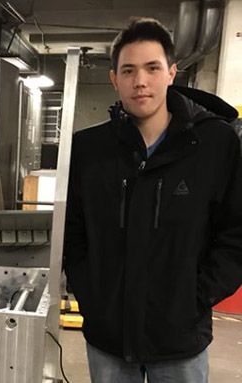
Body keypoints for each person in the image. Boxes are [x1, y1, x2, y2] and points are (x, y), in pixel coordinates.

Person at [64, 17, 242, 382]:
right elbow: (73, 230)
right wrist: (92, 295)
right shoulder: (89, 149)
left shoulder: (215, 145)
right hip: (108, 336)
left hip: (179, 338)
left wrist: (193, 298)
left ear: (172, 72)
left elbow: (235, 232)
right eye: (128, 70)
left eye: (152, 68)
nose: (140, 81)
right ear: (114, 78)